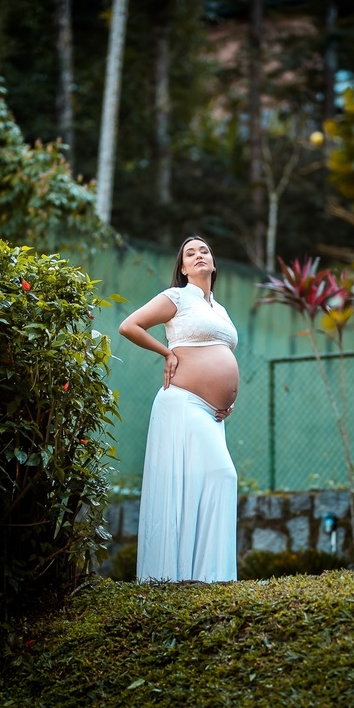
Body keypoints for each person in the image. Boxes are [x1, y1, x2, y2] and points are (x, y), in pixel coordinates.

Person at [118, 236, 239, 582]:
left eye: (204, 251)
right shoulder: (177, 297)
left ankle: (204, 577)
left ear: (213, 263)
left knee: (202, 484)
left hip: (212, 413)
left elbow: (221, 356)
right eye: (190, 253)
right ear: (183, 268)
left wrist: (227, 398)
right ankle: (209, 576)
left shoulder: (220, 310)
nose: (198, 255)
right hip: (183, 403)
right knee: (223, 475)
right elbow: (129, 326)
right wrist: (167, 353)